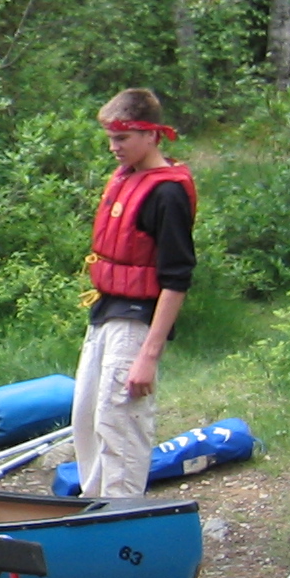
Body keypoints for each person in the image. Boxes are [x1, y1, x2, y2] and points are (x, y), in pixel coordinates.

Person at [72, 88, 195, 499]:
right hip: (105, 311)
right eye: (110, 138)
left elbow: (177, 278)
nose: (113, 148)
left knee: (119, 421)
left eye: (122, 138)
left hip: (137, 318)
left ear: (151, 134)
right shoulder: (128, 178)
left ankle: (121, 512)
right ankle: (93, 507)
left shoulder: (167, 192)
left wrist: (148, 355)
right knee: (87, 417)